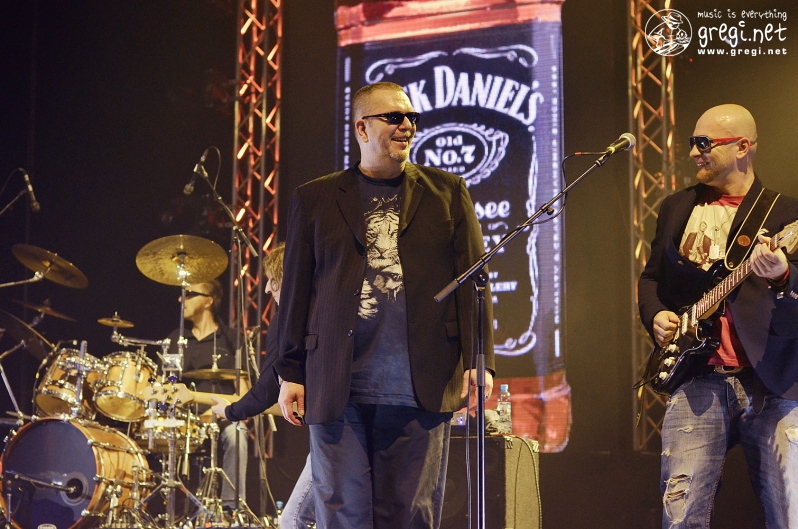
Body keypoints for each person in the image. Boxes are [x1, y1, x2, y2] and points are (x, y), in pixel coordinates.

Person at [274, 81, 495, 529]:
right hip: (338, 386)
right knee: (343, 516)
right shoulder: (315, 198)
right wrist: (290, 371)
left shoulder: (448, 191)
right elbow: (296, 293)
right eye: (394, 117)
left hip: (422, 385)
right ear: (362, 127)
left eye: (412, 117)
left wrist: (480, 360)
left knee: (410, 517)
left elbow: (474, 282)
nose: (407, 125)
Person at [638, 104, 798, 528]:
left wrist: (783, 275)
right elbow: (651, 278)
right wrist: (656, 315)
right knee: (681, 514)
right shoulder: (677, 207)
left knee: (789, 513)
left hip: (771, 382)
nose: (694, 152)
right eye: (693, 142)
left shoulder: (784, 214)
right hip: (697, 377)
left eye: (704, 143)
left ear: (742, 147)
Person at [211, 243, 317, 529]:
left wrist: (231, 411)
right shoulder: (330, 309)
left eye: (272, 280)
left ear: (287, 278)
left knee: (293, 519)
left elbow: (268, 385)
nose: (268, 289)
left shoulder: (288, 318)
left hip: (334, 430)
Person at [164, 279, 249, 511]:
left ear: (208, 301)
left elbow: (244, 393)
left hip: (223, 417)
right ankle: (172, 509)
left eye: (190, 294)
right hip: (184, 420)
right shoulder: (175, 340)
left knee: (238, 433)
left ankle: (231, 510)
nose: (182, 299)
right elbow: (166, 387)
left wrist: (220, 412)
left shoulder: (231, 339)